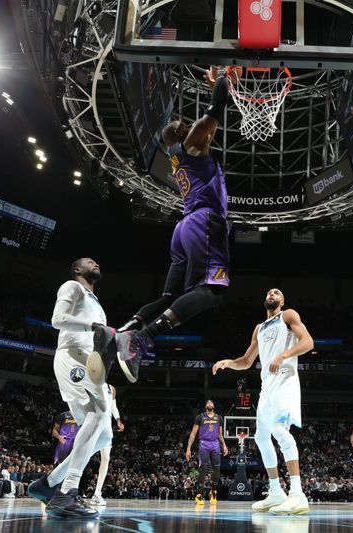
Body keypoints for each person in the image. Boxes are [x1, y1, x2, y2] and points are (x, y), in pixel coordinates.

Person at [86, 67, 242, 387]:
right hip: (205, 222)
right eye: (186, 126)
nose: (193, 126)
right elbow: (216, 109)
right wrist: (224, 80)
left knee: (169, 297)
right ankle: (142, 340)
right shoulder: (193, 145)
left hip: (184, 228)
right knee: (213, 290)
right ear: (183, 134)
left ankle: (117, 334)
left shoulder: (177, 156)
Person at [212, 288, 314, 515]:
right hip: (267, 388)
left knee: (279, 430)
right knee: (260, 437)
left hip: (285, 382)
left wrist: (283, 355)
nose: (271, 294)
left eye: (276, 292)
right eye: (268, 292)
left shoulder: (288, 316)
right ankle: (276, 491)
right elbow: (247, 361)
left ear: (282, 300)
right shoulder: (259, 328)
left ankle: (297, 494)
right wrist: (228, 362)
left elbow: (308, 342)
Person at [27, 258, 113, 519]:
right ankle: (66, 493)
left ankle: (47, 484)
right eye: (89, 262)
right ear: (77, 270)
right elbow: (57, 319)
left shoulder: (97, 305)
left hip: (89, 362)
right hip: (72, 357)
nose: (95, 263)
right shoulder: (72, 287)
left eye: (97, 262)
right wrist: (93, 327)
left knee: (104, 437)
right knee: (98, 413)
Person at [185, 399, 229, 506]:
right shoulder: (200, 417)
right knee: (203, 468)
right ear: (205, 406)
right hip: (204, 443)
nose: (209, 404)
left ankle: (213, 492)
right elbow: (193, 434)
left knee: (217, 468)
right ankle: (199, 495)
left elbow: (220, 434)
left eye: (211, 403)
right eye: (208, 403)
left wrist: (224, 445)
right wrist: (188, 449)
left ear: (213, 406)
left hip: (215, 444)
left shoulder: (219, 418)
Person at [90, 384, 126, 506]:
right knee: (83, 455)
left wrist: (118, 420)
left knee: (106, 458)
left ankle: (97, 493)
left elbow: (113, 406)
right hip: (93, 423)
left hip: (106, 426)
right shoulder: (92, 384)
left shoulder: (112, 389)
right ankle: (68, 487)